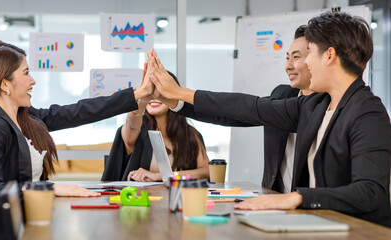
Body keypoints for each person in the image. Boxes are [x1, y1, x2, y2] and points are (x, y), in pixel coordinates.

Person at [148, 12, 391, 227]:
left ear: (329, 56)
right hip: (322, 225)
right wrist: (180, 96)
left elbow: (370, 193)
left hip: (360, 231)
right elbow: (249, 108)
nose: (305, 62)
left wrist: (297, 197)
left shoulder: (368, 113)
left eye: (310, 54)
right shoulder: (316, 105)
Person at [0, 40, 152, 240]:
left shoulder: (28, 117)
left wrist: (136, 95)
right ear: (5, 84)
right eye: (26, 73)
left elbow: (79, 112)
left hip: (27, 226)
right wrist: (51, 188)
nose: (33, 81)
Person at [166, 25, 313, 193]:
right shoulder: (283, 94)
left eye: (296, 57)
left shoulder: (328, 105)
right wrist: (177, 102)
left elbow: (245, 106)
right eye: (287, 58)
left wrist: (180, 92)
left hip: (311, 207)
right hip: (274, 199)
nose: (288, 66)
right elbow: (234, 113)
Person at [101, 54, 209, 182]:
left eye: (160, 92)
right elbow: (132, 125)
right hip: (139, 200)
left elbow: (207, 172)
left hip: (181, 199)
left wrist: (162, 176)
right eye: (150, 92)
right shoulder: (137, 131)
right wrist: (141, 100)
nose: (154, 97)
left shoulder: (190, 134)